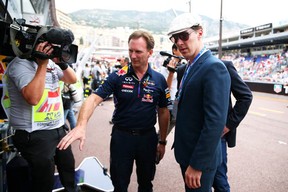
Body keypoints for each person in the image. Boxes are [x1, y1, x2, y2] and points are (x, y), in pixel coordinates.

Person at [57, 30, 171, 192]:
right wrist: (81, 125)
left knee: (146, 183)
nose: (133, 56)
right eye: (130, 51)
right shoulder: (118, 76)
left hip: (148, 138)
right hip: (121, 138)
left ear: (150, 53)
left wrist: (162, 141)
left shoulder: (159, 79)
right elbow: (94, 99)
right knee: (119, 184)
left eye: (138, 51)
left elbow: (163, 111)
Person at [167, 12, 231, 191]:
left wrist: (197, 164)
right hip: (188, 152)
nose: (179, 42)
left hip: (199, 160)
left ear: (200, 33)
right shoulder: (190, 65)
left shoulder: (213, 67)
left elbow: (215, 121)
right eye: (175, 38)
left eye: (184, 36)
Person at [4, 38, 77, 191]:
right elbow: (33, 98)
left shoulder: (51, 63)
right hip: (35, 134)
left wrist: (61, 62)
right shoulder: (19, 65)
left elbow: (72, 79)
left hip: (58, 128)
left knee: (68, 168)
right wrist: (42, 64)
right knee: (44, 180)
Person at [212, 60, 253, 192]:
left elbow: (245, 96)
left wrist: (228, 125)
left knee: (219, 180)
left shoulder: (224, 66)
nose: (180, 43)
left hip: (216, 136)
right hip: (193, 136)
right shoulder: (185, 69)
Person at [160, 44, 187, 135]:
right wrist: (171, 72)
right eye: (180, 48)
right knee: (164, 132)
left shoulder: (183, 65)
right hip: (170, 101)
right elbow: (165, 88)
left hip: (178, 100)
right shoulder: (165, 66)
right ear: (174, 50)